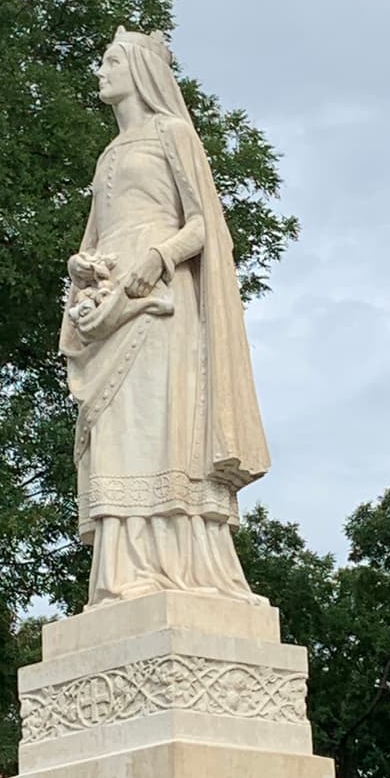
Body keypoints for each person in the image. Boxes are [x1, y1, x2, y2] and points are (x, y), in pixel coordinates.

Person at [61, 30, 270, 603]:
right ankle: (121, 572)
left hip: (159, 298)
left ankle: (186, 565)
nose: (100, 70)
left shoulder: (172, 134)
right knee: (114, 432)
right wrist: (84, 268)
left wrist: (159, 257)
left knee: (162, 429)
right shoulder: (108, 155)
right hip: (109, 303)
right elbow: (98, 233)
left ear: (140, 72)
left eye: (110, 61)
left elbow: (205, 225)